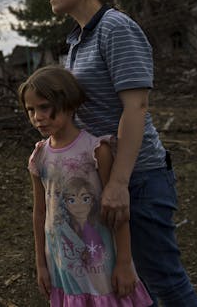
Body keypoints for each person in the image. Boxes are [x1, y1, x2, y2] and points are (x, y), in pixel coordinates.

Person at [45, 0, 197, 305]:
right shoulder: (76, 41)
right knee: (133, 282)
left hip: (138, 176)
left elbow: (136, 107)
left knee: (164, 281)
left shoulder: (115, 28)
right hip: (106, 176)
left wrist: (118, 183)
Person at [22, 65, 152, 306]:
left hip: (100, 261)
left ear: (69, 104)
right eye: (30, 109)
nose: (37, 117)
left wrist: (124, 262)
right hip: (62, 262)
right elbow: (40, 213)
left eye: (44, 107)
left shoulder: (96, 151)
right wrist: (41, 264)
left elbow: (118, 212)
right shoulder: (38, 157)